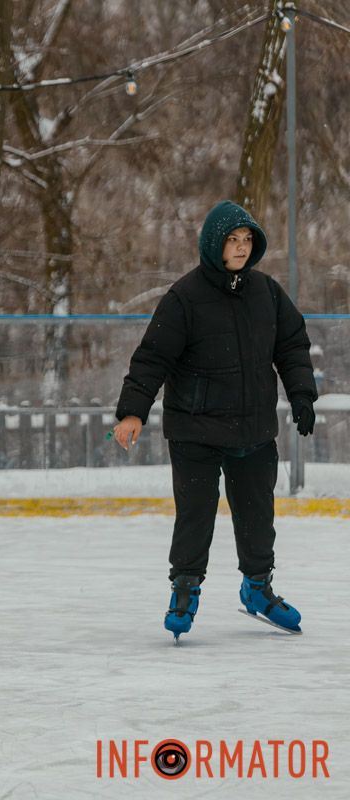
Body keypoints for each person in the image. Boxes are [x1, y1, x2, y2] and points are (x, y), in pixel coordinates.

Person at [113, 200, 317, 640]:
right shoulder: (184, 298)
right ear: (213, 244)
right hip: (195, 430)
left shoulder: (267, 293)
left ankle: (258, 589)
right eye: (232, 240)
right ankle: (185, 589)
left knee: (258, 515)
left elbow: (292, 345)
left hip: (253, 428)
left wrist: (302, 394)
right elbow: (153, 358)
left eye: (247, 240)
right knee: (195, 515)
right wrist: (132, 411)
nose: (241, 247)